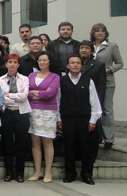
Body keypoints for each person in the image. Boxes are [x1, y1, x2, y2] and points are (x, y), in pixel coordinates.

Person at [59, 55, 103, 185]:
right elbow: (57, 100)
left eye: (78, 63)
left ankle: (87, 174)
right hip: (67, 119)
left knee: (86, 148)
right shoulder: (62, 81)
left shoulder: (88, 81)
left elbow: (95, 102)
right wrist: (58, 117)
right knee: (69, 147)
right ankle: (70, 174)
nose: (75, 65)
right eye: (72, 63)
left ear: (81, 66)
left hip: (85, 119)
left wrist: (93, 120)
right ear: (67, 66)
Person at [0, 54, 31, 183]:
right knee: (7, 144)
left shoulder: (24, 79)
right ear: (6, 64)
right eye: (9, 62)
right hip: (6, 113)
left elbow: (24, 96)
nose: (12, 64)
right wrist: (14, 96)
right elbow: (0, 98)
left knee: (21, 144)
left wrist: (8, 95)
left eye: (15, 62)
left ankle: (20, 173)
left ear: (18, 65)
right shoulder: (0, 80)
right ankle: (9, 172)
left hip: (21, 113)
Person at [26, 51, 60, 183]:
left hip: (48, 112)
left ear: (49, 62)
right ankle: (37, 171)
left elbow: (51, 93)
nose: (42, 62)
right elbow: (26, 92)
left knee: (47, 142)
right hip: (33, 111)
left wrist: (36, 93)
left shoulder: (55, 77)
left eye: (45, 60)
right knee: (35, 142)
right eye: (40, 60)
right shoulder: (31, 75)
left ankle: (48, 172)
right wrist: (39, 93)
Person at [90, 23, 123, 149]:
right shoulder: (89, 46)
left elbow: (120, 63)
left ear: (105, 33)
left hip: (107, 81)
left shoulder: (111, 46)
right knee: (94, 108)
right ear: (93, 33)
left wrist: (109, 70)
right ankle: (96, 136)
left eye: (102, 31)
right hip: (92, 81)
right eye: (97, 31)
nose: (99, 33)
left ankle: (108, 138)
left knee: (107, 109)